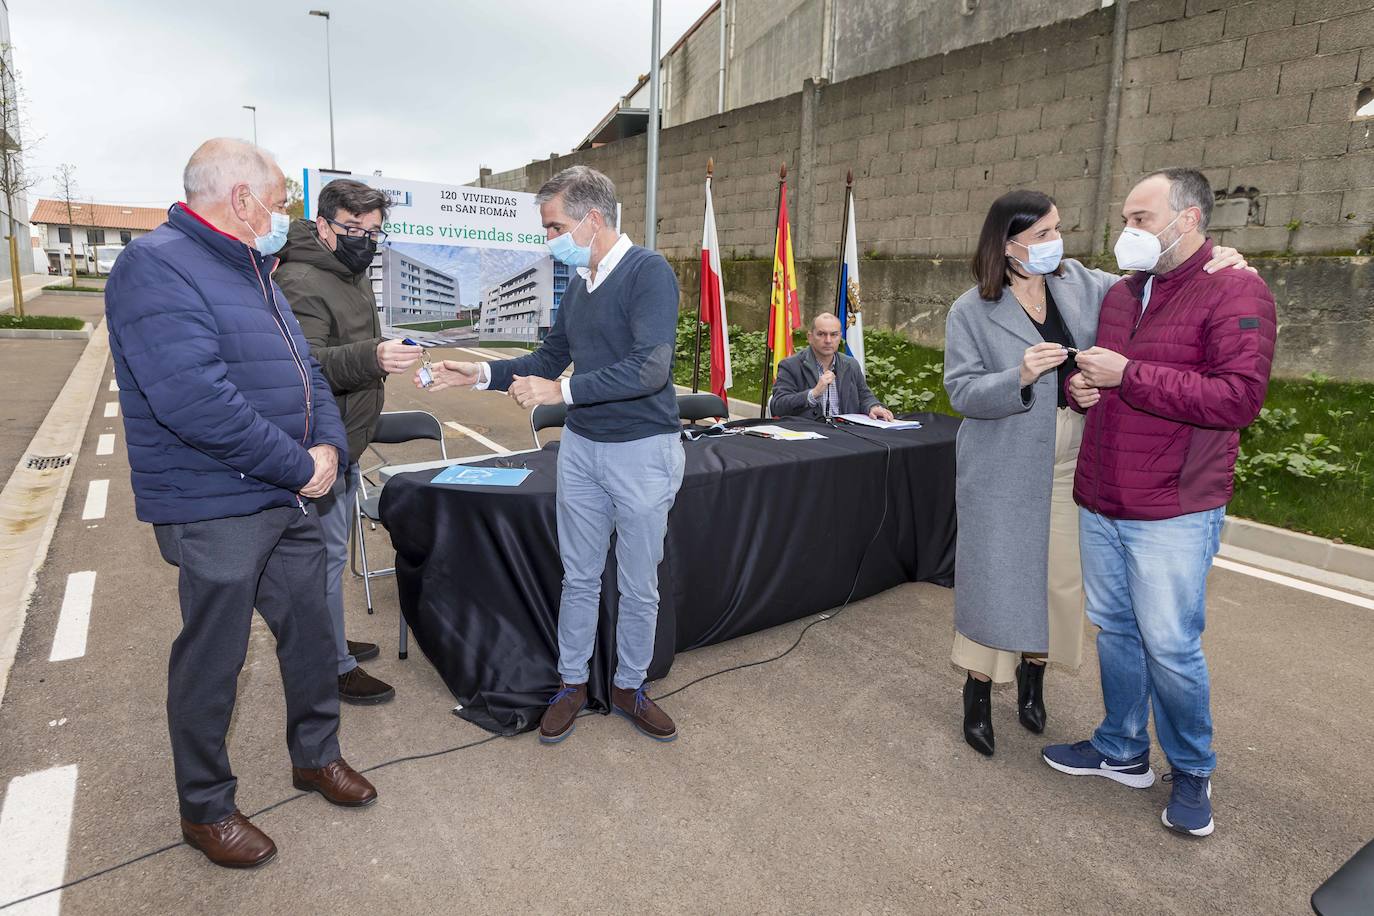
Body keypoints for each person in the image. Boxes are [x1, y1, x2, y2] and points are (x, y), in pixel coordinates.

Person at [104, 138, 377, 870]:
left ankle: (316, 758)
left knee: (313, 635)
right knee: (214, 660)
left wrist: (328, 449)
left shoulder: (256, 269)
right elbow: (194, 401)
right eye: (282, 197)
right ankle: (206, 808)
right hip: (215, 503)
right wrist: (300, 465)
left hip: (287, 494)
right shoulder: (155, 266)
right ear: (242, 199)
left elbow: (305, 373)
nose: (285, 211)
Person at [944, 189, 1248, 759]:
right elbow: (961, 392)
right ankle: (978, 691)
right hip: (1003, 462)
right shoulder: (972, 307)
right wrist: (1019, 376)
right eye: (1041, 236)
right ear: (1008, 246)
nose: (1055, 243)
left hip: (1073, 457)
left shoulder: (1087, 284)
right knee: (996, 580)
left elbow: (1166, 283)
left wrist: (1220, 262)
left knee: (1060, 580)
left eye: (1058, 229)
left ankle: (1035, 676)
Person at [1042, 169, 1276, 839]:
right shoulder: (1122, 293)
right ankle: (1122, 748)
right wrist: (1084, 392)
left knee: (1171, 645)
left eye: (1141, 218)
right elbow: (1104, 380)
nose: (1128, 231)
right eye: (1126, 218)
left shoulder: (1236, 288)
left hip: (1174, 505)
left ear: (1189, 221)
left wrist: (1129, 376)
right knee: (1115, 628)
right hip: (1103, 493)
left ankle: (1192, 769)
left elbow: (1238, 399)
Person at [419, 165, 685, 744]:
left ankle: (628, 687)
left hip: (641, 451)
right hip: (584, 449)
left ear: (593, 219)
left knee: (640, 584)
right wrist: (481, 373)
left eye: (554, 226)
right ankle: (570, 684)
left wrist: (563, 392)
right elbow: (548, 357)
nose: (549, 240)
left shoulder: (649, 273)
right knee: (580, 576)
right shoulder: (582, 286)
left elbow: (650, 368)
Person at [275, 178, 422, 705]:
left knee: (333, 554)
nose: (365, 239)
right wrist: (374, 358)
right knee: (322, 560)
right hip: (319, 444)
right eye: (353, 228)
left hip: (347, 436)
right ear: (323, 225)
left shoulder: (347, 271)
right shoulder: (302, 279)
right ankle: (331, 666)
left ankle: (333, 640)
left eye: (374, 231)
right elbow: (304, 365)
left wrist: (375, 354)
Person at [768, 313, 894, 421]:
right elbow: (777, 406)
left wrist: (874, 407)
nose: (828, 340)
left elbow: (865, 396)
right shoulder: (791, 365)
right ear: (810, 337)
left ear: (840, 337)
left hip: (846, 434)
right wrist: (813, 394)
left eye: (834, 335)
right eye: (821, 334)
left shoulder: (850, 364)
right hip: (807, 436)